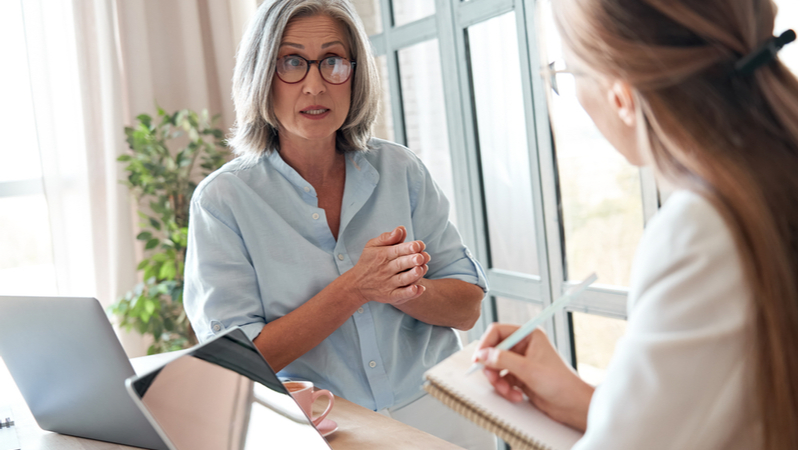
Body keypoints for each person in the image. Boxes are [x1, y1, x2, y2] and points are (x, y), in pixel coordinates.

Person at [474, 1, 797, 449]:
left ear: (620, 95)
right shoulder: (773, 186)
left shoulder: (701, 232)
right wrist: (586, 401)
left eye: (565, 73)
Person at [183, 0, 494, 447]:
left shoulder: (400, 170)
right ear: (261, 77)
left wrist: (403, 287)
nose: (315, 85)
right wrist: (357, 287)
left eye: (333, 62)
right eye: (291, 62)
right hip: (322, 431)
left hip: (442, 417)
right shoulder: (223, 202)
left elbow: (467, 307)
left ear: (355, 74)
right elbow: (238, 361)